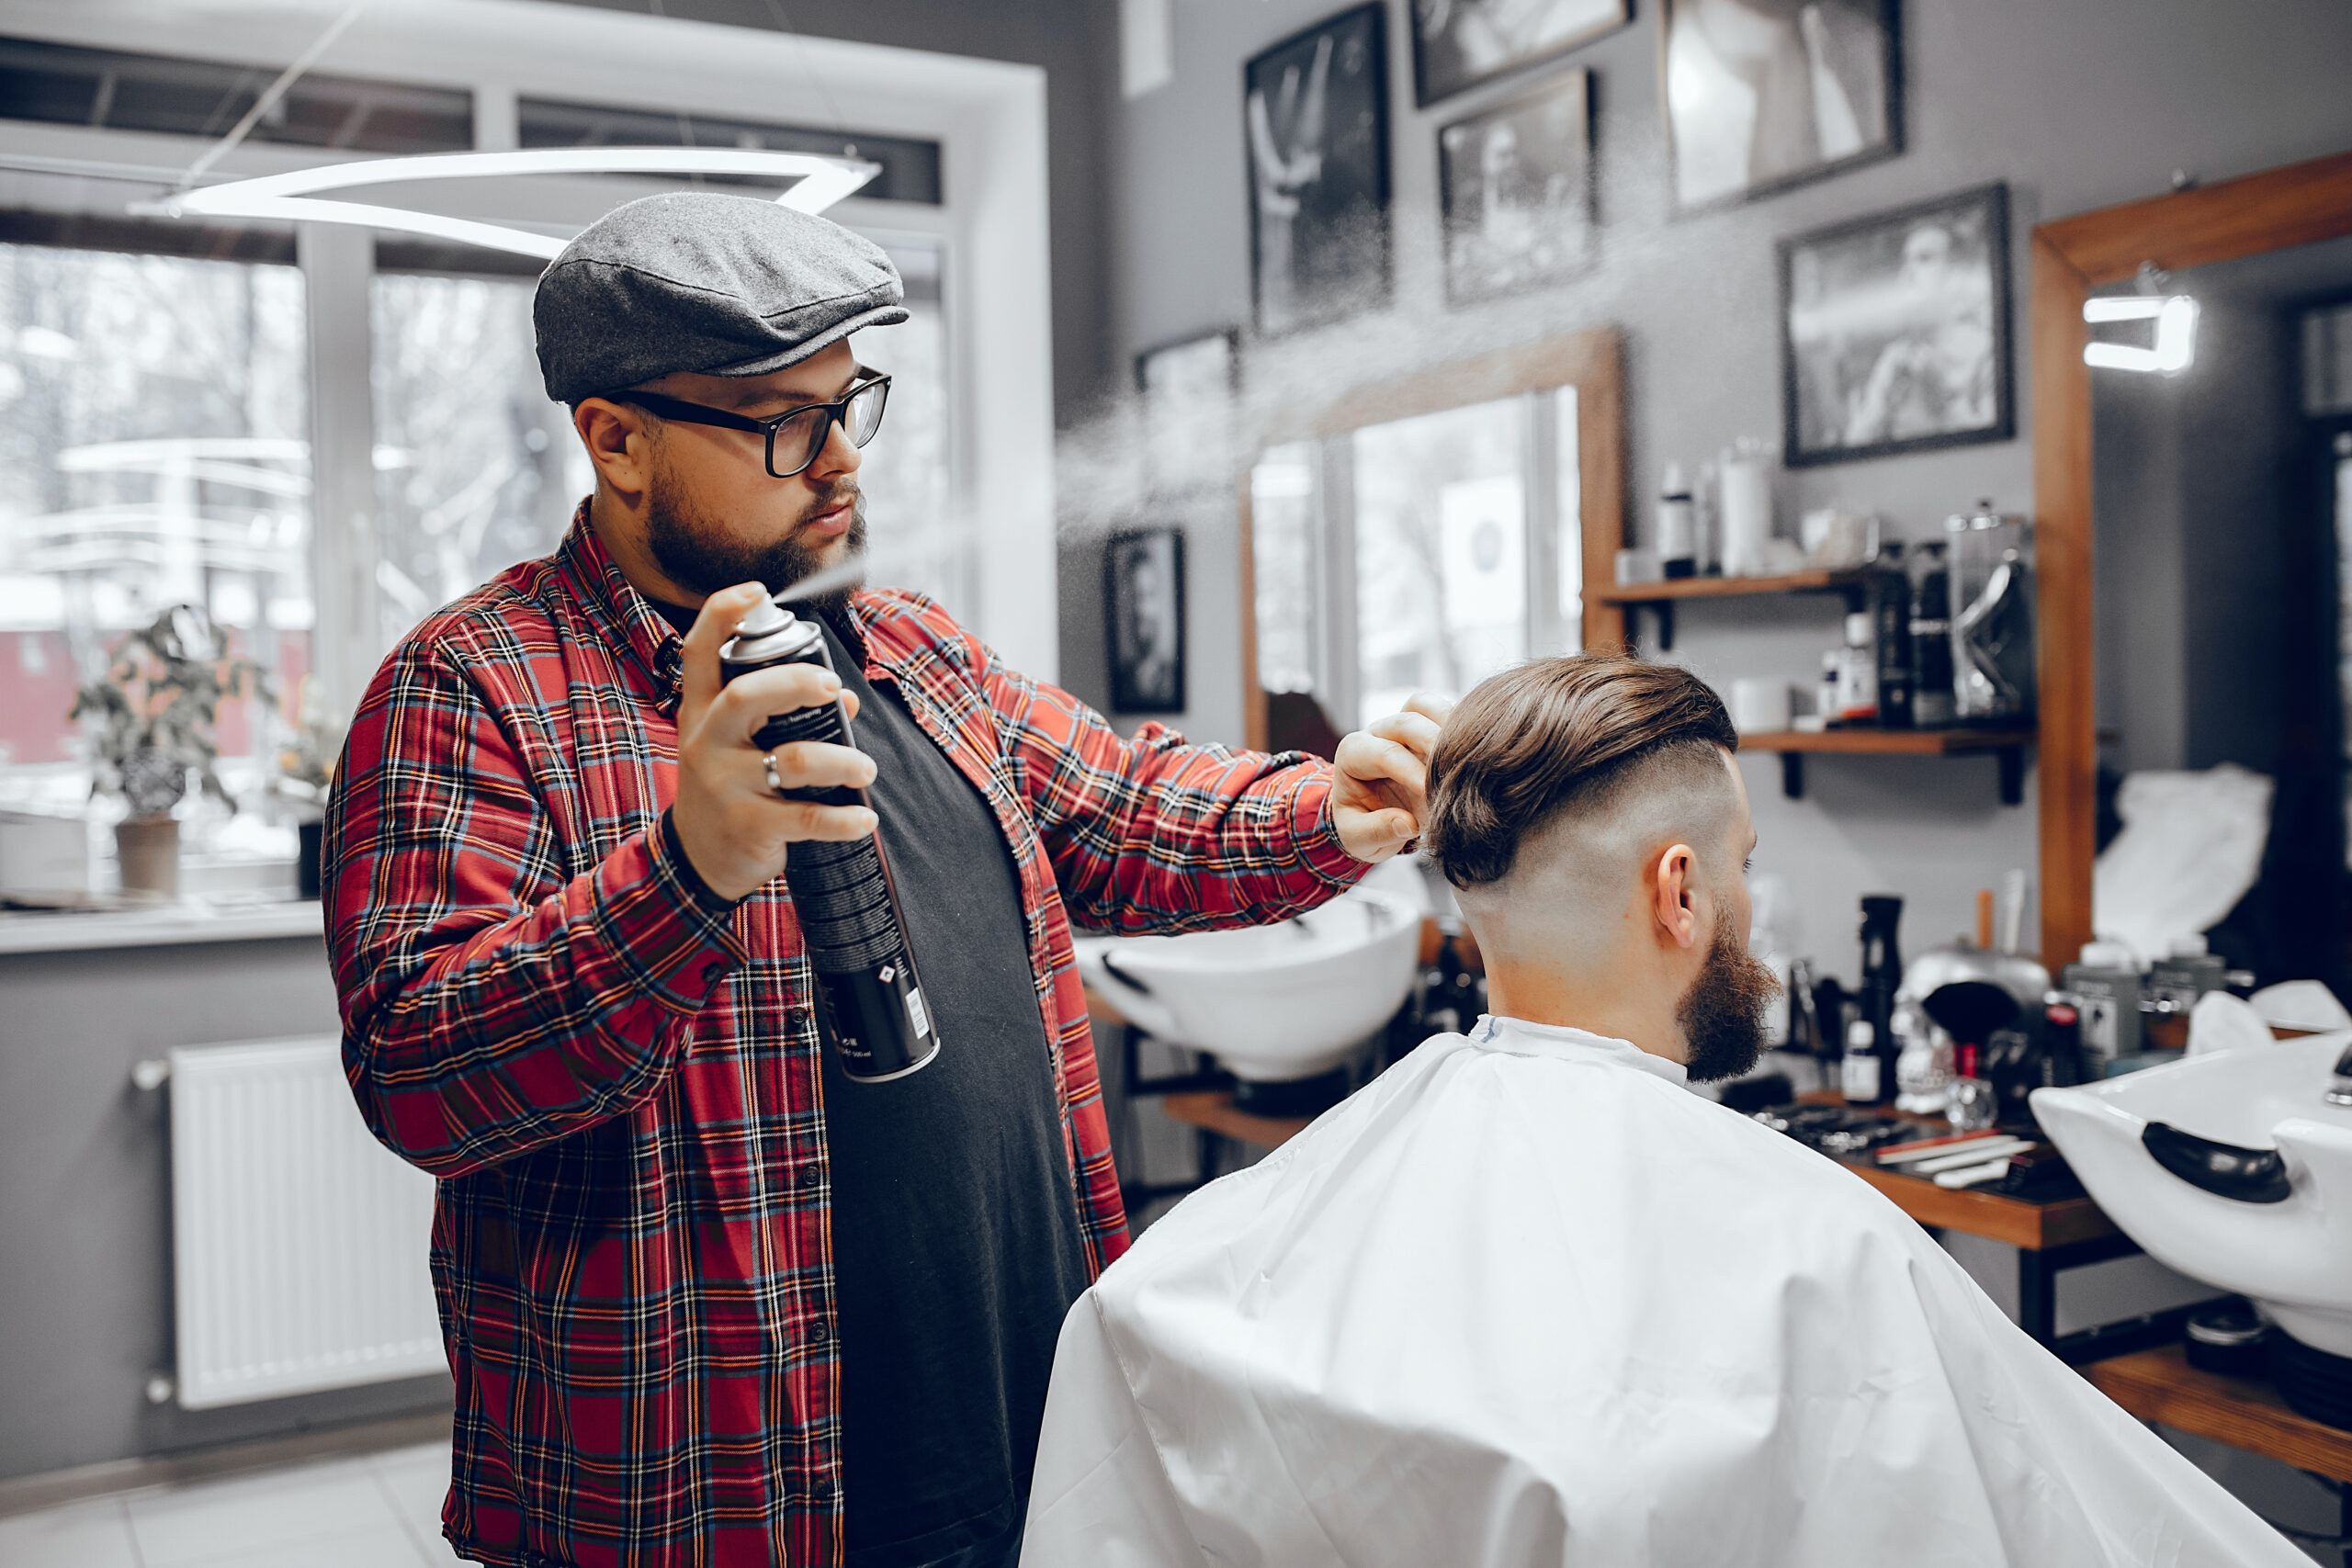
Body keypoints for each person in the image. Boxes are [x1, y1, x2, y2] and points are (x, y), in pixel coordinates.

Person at [323, 191, 1443, 1568]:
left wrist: (1326, 810)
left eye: (853, 403)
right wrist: (689, 873)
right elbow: (419, 1072)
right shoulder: (472, 688)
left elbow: (1121, 808)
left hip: (1023, 1441)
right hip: (711, 1502)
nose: (842, 460)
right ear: (615, 436)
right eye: (786, 424)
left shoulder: (908, 644)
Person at [1019, 651, 2301, 1567]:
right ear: (1678, 891)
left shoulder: (1214, 1256)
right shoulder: (1824, 1249)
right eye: (1749, 866)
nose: (1761, 906)